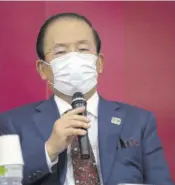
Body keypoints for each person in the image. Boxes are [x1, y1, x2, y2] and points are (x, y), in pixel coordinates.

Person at [0, 13, 174, 185]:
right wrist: (49, 150)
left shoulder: (139, 122)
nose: (73, 58)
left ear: (99, 63)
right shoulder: (12, 124)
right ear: (43, 69)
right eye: (60, 52)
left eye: (83, 49)